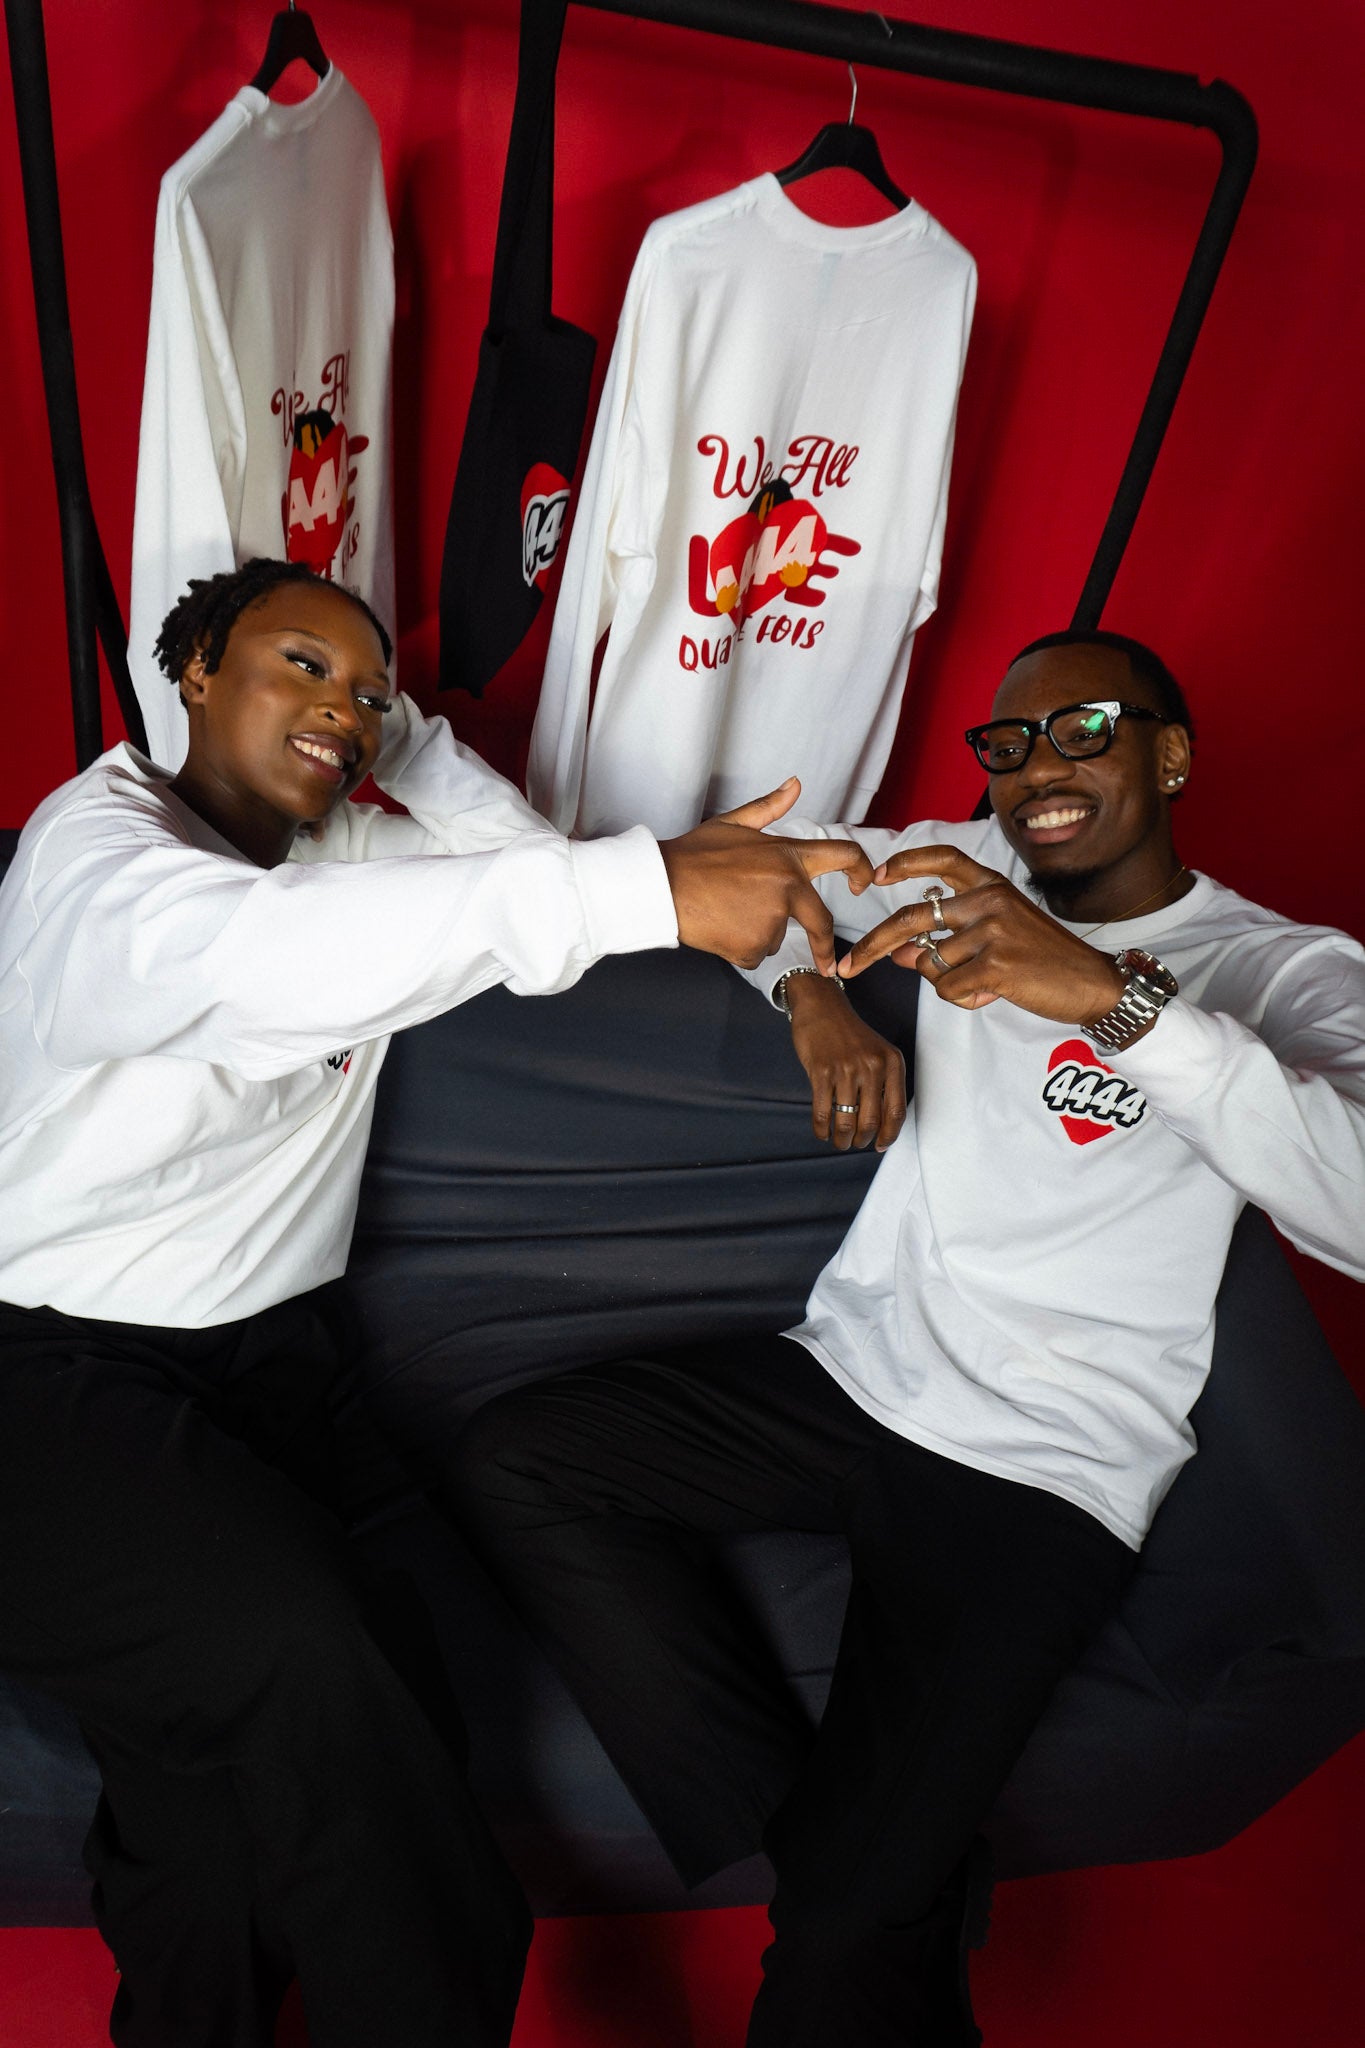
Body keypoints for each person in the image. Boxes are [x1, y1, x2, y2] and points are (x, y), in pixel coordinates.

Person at [0, 556, 874, 2048]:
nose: (342, 710)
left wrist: (799, 980)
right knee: (322, 1662)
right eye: (299, 665)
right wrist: (643, 883)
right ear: (192, 670)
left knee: (209, 1817)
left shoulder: (350, 851)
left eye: (369, 692)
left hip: (273, 1370)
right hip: (46, 1380)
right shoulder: (100, 863)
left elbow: (516, 869)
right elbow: (251, 957)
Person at [447, 629, 1365, 2047]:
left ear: (1171, 755)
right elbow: (756, 878)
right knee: (521, 1460)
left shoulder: (1277, 968)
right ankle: (856, 1858)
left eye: (1084, 730)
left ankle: (864, 1883)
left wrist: (1110, 1000)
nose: (1039, 769)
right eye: (1009, 744)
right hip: (857, 1371)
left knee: (832, 1964)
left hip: (1041, 1465)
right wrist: (810, 995)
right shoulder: (957, 870)